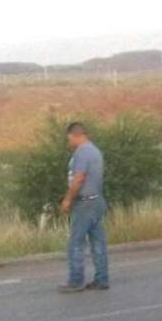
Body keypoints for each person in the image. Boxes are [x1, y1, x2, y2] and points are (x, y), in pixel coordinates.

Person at [57, 122, 110, 292]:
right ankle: (102, 279)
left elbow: (78, 179)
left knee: (76, 242)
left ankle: (76, 280)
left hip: (84, 203)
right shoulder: (95, 151)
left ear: (75, 135)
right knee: (98, 242)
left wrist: (67, 200)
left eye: (69, 138)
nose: (69, 142)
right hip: (97, 200)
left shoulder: (82, 153)